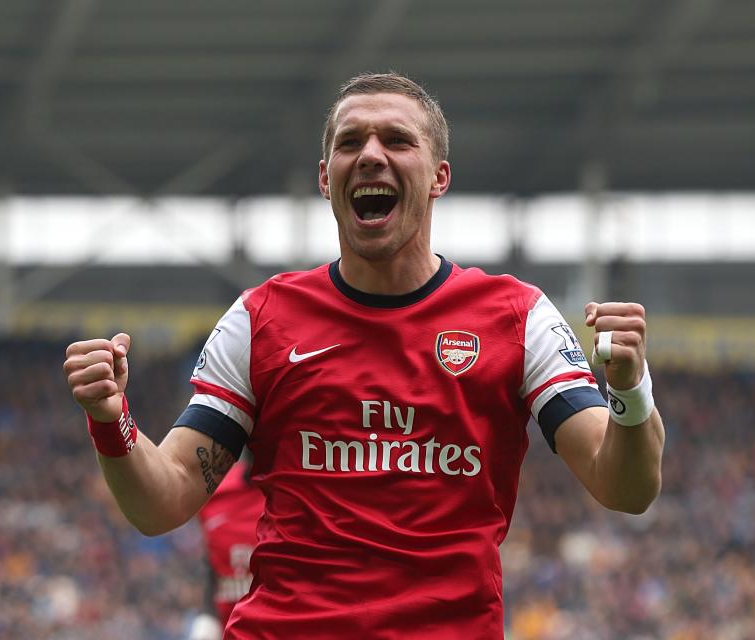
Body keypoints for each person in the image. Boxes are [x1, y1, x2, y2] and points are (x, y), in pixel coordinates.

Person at [63, 72, 665, 639]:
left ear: (439, 176)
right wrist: (110, 417)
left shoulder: (517, 317)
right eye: (352, 141)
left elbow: (625, 487)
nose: (371, 154)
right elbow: (164, 498)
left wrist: (631, 390)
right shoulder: (260, 319)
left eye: (398, 140)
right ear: (327, 179)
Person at [187, 452, 263, 640]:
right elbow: (214, 569)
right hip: (227, 630)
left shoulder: (299, 497)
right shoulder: (214, 493)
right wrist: (206, 622)